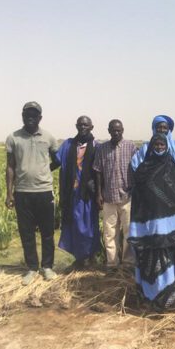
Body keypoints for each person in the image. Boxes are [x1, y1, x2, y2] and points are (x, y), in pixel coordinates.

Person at [127, 134, 175, 311]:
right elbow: (137, 198)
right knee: (150, 260)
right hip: (149, 227)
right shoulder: (143, 169)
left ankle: (168, 296)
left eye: (162, 144)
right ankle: (150, 295)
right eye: (157, 144)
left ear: (167, 147)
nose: (159, 147)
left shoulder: (173, 167)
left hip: (171, 228)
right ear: (151, 147)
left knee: (169, 259)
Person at [5, 101, 60, 285]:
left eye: (34, 114)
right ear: (22, 116)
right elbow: (10, 166)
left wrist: (44, 171)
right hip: (22, 193)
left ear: (40, 117)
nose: (30, 117)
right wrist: (9, 193)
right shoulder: (13, 137)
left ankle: (47, 267)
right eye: (27, 114)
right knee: (26, 233)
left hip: (44, 191)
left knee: (47, 232)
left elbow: (57, 160)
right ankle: (32, 268)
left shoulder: (48, 137)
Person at [54, 115, 102, 268]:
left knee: (89, 227)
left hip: (88, 194)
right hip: (72, 193)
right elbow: (56, 162)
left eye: (86, 125)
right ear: (76, 126)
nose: (83, 127)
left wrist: (99, 192)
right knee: (74, 225)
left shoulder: (97, 146)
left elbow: (102, 171)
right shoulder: (68, 145)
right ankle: (79, 258)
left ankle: (91, 256)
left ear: (91, 127)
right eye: (80, 125)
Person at [93, 119, 137, 271]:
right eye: (113, 130)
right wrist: (99, 193)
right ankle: (112, 263)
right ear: (109, 131)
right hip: (109, 197)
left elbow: (136, 169)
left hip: (127, 197)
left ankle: (128, 263)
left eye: (118, 130)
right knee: (109, 232)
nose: (116, 132)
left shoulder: (131, 147)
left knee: (128, 232)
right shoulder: (102, 148)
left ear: (122, 130)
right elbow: (98, 172)